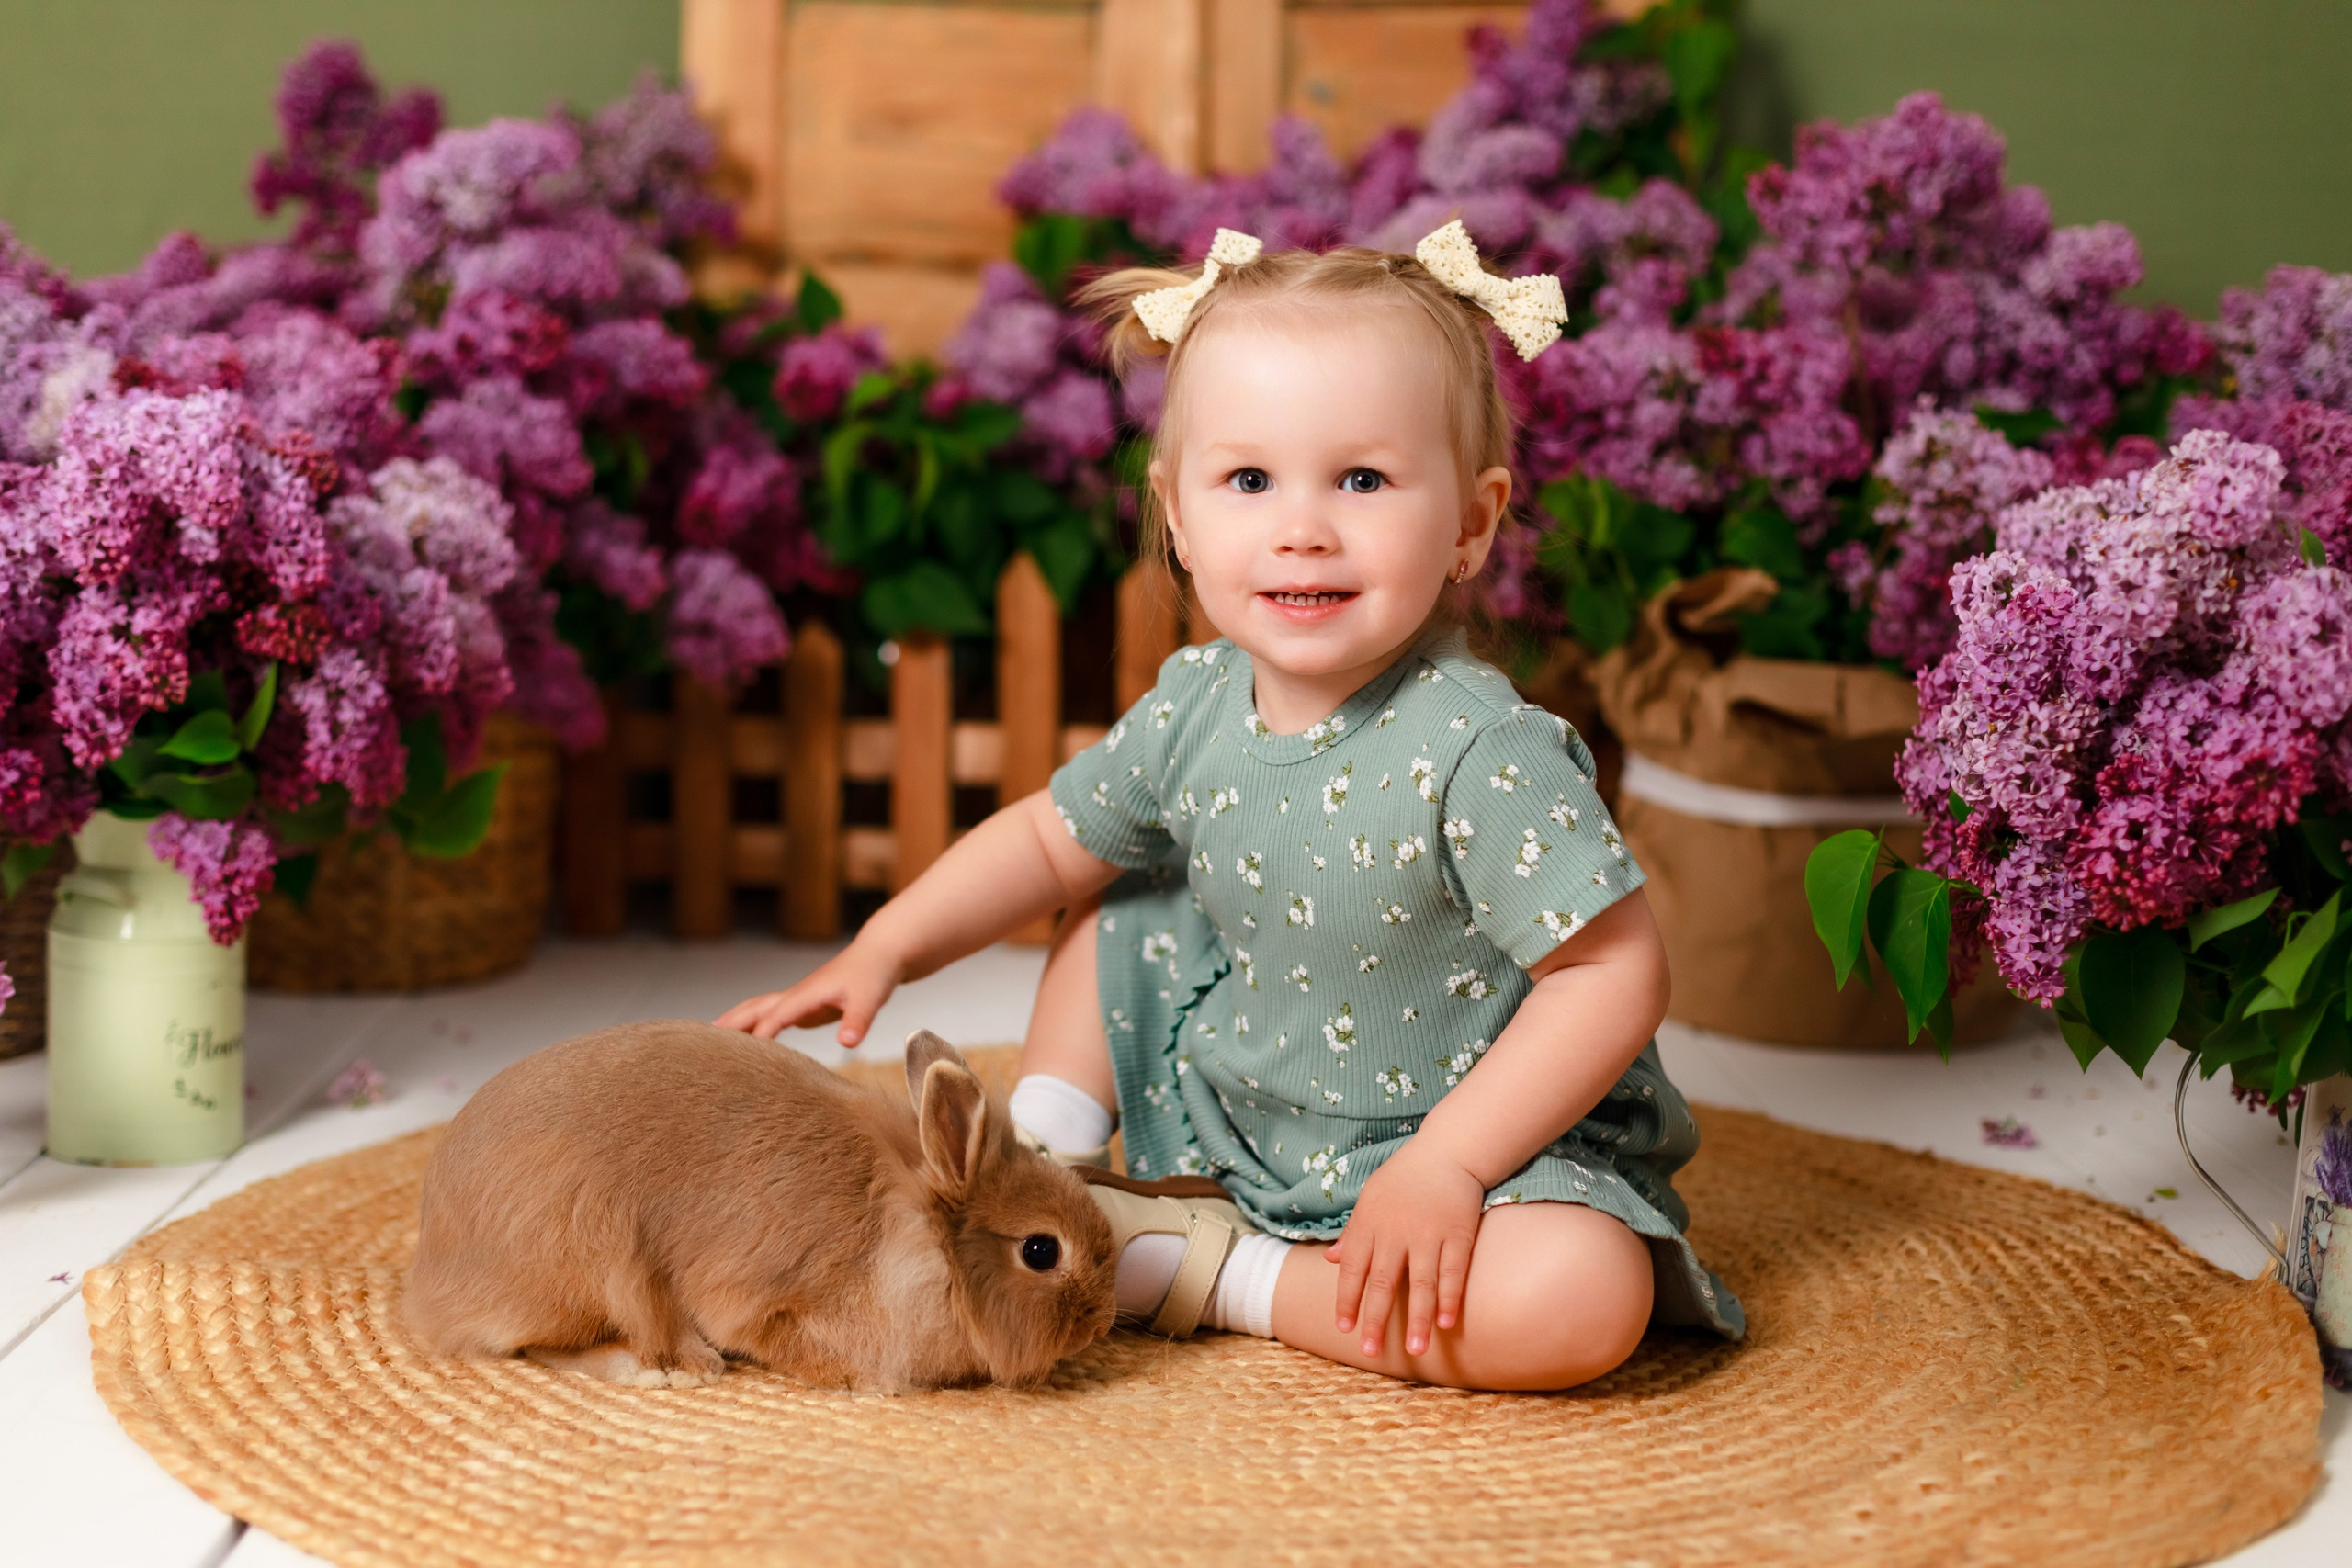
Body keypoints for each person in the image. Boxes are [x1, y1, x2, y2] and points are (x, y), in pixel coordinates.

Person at [720, 223, 1743, 1391]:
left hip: (1479, 1139)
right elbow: (1043, 844)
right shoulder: (1196, 703)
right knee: (1115, 894)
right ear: (1178, 516)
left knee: (1574, 1301)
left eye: (1361, 479)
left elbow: (1613, 975)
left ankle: (1213, 1274)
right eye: (1249, 480)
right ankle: (1046, 1176)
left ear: (1470, 521)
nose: (1301, 525)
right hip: (1245, 1086)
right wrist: (883, 948)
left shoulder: (1483, 749)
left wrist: (1450, 1168)